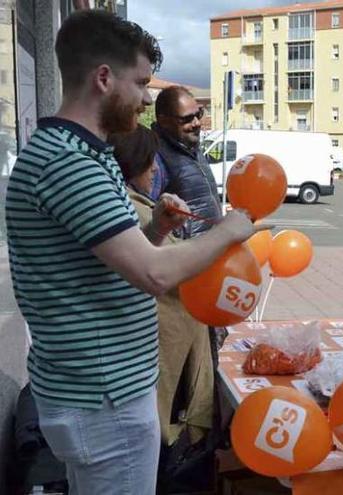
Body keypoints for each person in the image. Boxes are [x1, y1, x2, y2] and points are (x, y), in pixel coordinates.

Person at [3, 11, 266, 494]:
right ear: (104, 78)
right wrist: (229, 231)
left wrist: (157, 229)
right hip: (104, 402)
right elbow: (153, 275)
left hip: (100, 394)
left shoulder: (81, 153)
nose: (147, 98)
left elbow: (106, 265)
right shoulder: (68, 164)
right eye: (141, 82)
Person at [108, 126, 214, 455]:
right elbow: (160, 269)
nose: (156, 169)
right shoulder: (127, 207)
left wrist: (160, 227)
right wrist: (225, 235)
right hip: (153, 353)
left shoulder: (137, 203)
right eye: (149, 161)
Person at [152, 85, 221, 238]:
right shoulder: (156, 157)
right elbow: (148, 215)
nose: (197, 122)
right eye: (187, 119)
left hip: (211, 252)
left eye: (199, 114)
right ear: (164, 121)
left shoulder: (192, 148)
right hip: (186, 256)